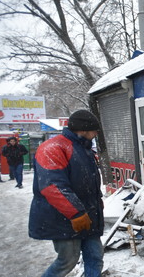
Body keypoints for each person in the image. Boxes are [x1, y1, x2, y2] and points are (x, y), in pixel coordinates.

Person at [29, 109, 104, 277]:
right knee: (67, 261)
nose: (97, 133)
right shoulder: (53, 148)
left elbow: (88, 180)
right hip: (64, 217)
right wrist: (76, 213)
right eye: (95, 129)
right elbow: (52, 186)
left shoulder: (84, 148)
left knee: (95, 257)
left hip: (88, 214)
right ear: (84, 130)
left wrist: (97, 201)